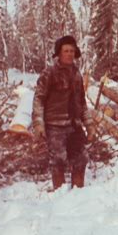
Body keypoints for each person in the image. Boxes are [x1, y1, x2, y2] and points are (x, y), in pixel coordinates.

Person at [32, 36, 96, 190]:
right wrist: (39, 124)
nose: (69, 54)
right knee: (58, 160)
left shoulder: (77, 75)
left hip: (74, 125)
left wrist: (90, 125)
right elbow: (38, 99)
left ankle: (77, 194)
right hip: (55, 126)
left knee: (81, 159)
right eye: (66, 51)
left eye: (72, 51)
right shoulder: (49, 73)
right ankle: (59, 196)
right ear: (59, 54)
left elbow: (82, 103)